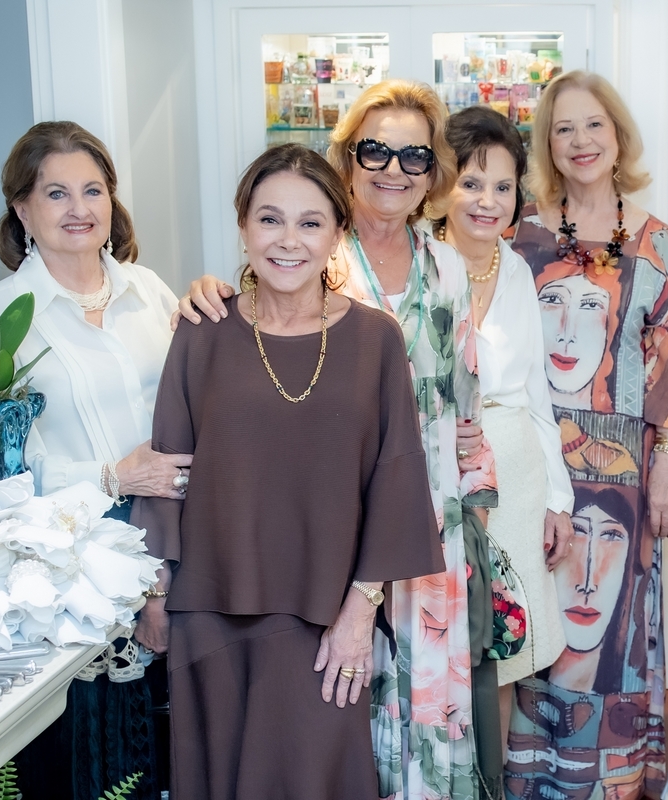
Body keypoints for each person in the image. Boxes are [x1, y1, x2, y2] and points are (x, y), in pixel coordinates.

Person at [175, 80, 499, 799]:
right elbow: (248, 333)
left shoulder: (447, 266)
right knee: (335, 715)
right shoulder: (314, 252)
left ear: (433, 171)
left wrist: (471, 512)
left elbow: (463, 399)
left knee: (426, 710)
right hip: (324, 535)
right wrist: (202, 294)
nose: (394, 168)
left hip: (421, 523)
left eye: (414, 155)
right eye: (375, 149)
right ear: (347, 158)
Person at [131, 143, 443, 798]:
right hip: (209, 613)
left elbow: (395, 480)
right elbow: (167, 467)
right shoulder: (202, 330)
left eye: (310, 222)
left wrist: (360, 611)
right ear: (244, 226)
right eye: (270, 219)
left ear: (337, 233)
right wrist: (155, 594)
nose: (288, 240)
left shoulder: (376, 338)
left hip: (324, 619)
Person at [502, 70, 668, 800]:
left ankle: (611, 784)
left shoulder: (657, 245)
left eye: (594, 125)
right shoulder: (517, 236)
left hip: (622, 480)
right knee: (537, 622)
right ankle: (533, 781)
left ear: (618, 136)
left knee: (610, 630)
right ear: (547, 145)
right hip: (533, 466)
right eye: (564, 128)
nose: (581, 141)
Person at [0, 121, 186, 799]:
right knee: (106, 762)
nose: (79, 209)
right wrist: (111, 476)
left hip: (181, 548)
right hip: (79, 575)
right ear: (22, 209)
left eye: (93, 190)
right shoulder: (1, 316)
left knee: (185, 748)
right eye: (56, 193)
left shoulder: (151, 291)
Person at [439, 106, 574, 746]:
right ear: (441, 184)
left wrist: (558, 499)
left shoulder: (516, 269)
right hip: (442, 469)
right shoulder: (418, 263)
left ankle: (491, 780)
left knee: (504, 645)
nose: (487, 201)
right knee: (443, 638)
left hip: (516, 475)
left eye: (502, 186)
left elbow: (536, 393)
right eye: (471, 183)